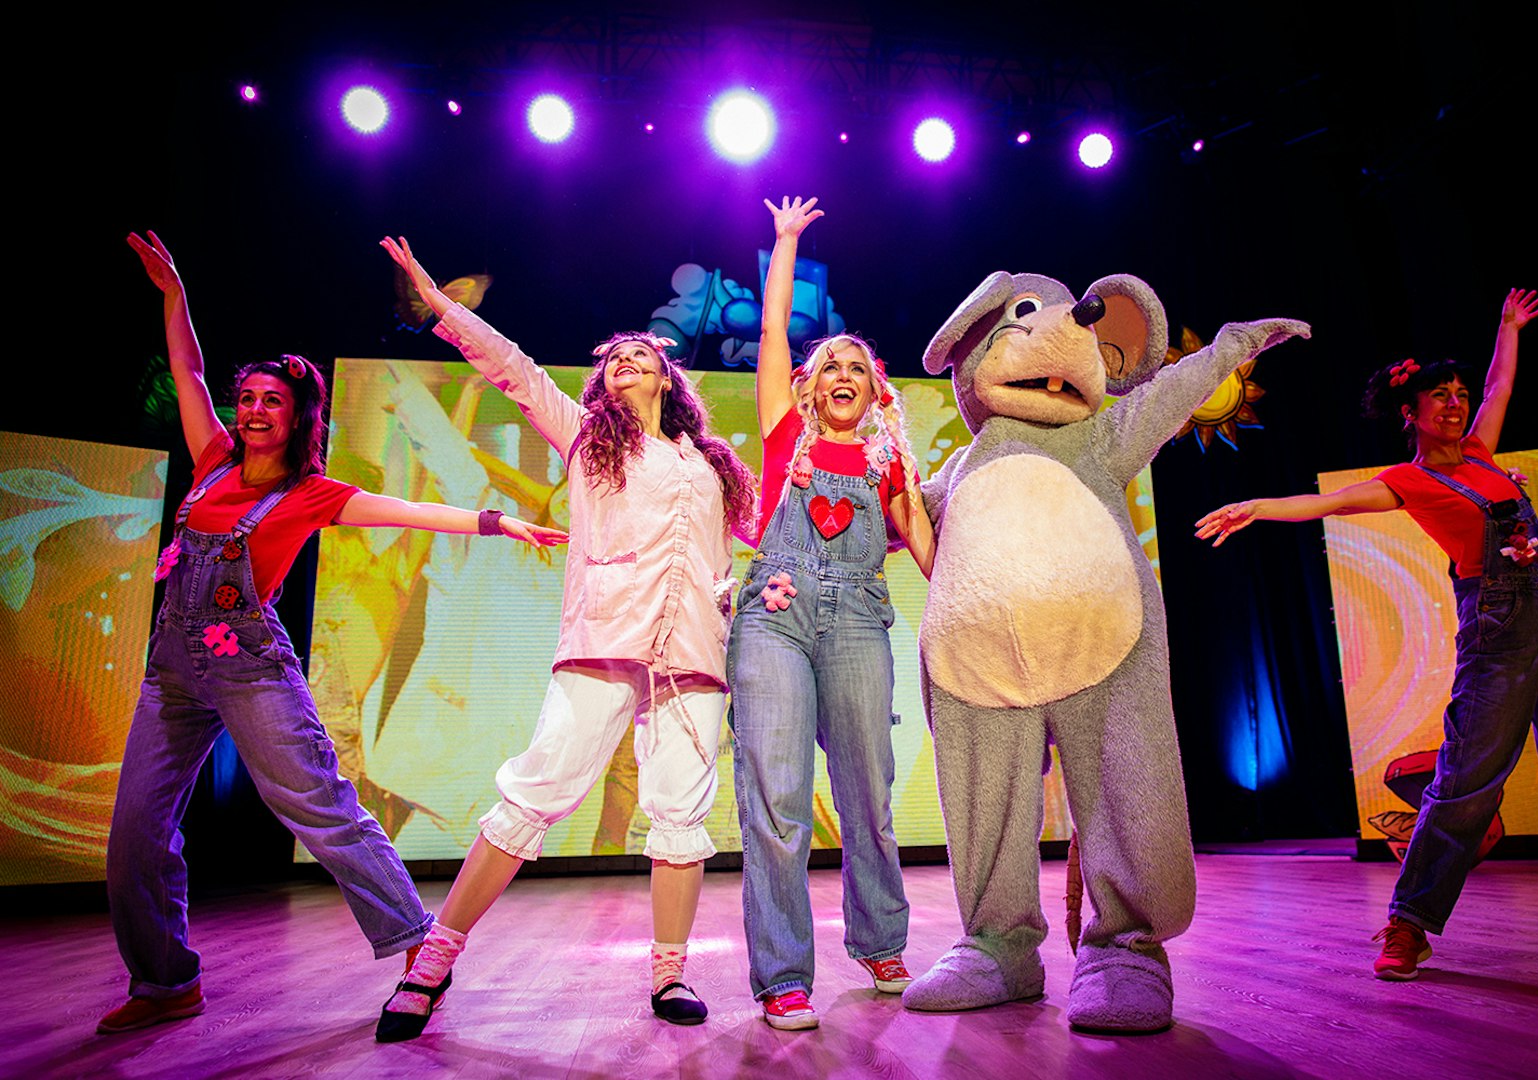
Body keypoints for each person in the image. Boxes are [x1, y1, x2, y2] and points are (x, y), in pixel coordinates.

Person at [102, 232, 566, 1035]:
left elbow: (418, 510)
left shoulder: (313, 493)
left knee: (320, 807)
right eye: (246, 398)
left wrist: (501, 522)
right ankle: (164, 980)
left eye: (270, 401)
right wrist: (175, 297)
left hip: (249, 667)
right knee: (135, 829)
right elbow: (187, 372)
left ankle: (422, 946)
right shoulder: (210, 460)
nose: (251, 411)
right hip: (173, 666)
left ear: (297, 415)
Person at [375, 235, 755, 1039]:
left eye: (638, 354)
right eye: (611, 357)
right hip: (603, 643)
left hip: (691, 657)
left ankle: (669, 975)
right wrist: (438, 302)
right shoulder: (587, 438)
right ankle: (432, 962)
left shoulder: (711, 462)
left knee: (681, 816)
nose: (624, 361)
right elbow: (510, 366)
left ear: (666, 374)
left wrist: (751, 589)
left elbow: (734, 554)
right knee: (534, 797)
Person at [1196, 288, 1538, 979]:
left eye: (1457, 393)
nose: (1454, 403)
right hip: (1501, 630)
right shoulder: (1409, 480)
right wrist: (1256, 507)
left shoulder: (1483, 451)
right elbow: (1324, 503)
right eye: (1439, 397)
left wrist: (1508, 326)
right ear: (1411, 414)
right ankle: (1408, 924)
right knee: (1468, 781)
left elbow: (1499, 383)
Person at [727, 197, 936, 1030]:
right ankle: (782, 974)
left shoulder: (890, 461)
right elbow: (775, 333)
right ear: (811, 388)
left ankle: (880, 938)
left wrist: (962, 611)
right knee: (776, 797)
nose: (841, 374)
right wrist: (785, 245)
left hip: (857, 619)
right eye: (830, 366)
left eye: (857, 366)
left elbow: (922, 540)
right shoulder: (785, 434)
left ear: (874, 389)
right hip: (774, 613)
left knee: (868, 794)